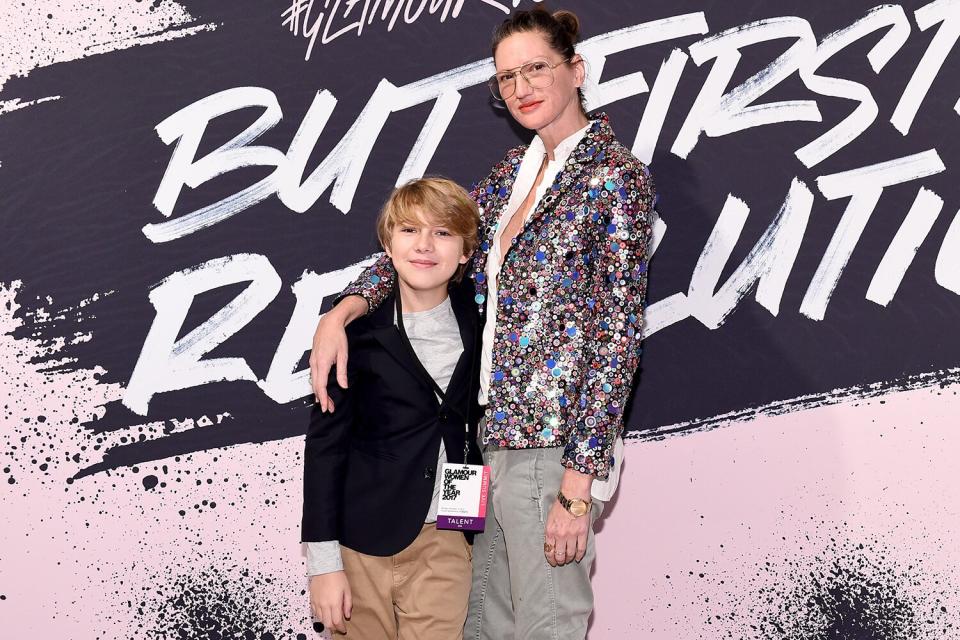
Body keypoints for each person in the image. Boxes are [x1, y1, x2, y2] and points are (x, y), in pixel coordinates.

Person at [310, 8, 656, 640]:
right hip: (479, 445)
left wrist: (578, 485)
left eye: (536, 69)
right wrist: (344, 310)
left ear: (576, 71)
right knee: (480, 625)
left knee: (547, 624)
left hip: (551, 445)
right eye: (506, 77)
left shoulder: (615, 179)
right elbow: (426, 246)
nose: (521, 87)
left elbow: (616, 339)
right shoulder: (510, 175)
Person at [301, 177, 484, 639]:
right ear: (388, 243)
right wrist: (323, 565)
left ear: (465, 251)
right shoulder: (354, 335)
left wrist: (466, 533)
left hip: (447, 532)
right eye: (409, 230)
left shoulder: (486, 316)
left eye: (442, 233)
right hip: (361, 542)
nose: (424, 245)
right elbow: (325, 450)